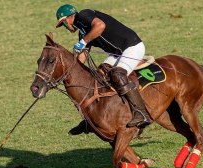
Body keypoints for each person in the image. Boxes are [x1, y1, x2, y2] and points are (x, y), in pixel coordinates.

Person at [55, 4, 152, 133]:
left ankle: (141, 113)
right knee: (99, 76)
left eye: (63, 23)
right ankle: (91, 119)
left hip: (132, 47)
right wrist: (72, 72)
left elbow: (100, 26)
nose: (65, 27)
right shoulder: (82, 32)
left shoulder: (84, 15)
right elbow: (82, 57)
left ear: (69, 17)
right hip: (117, 53)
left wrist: (83, 42)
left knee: (118, 74)